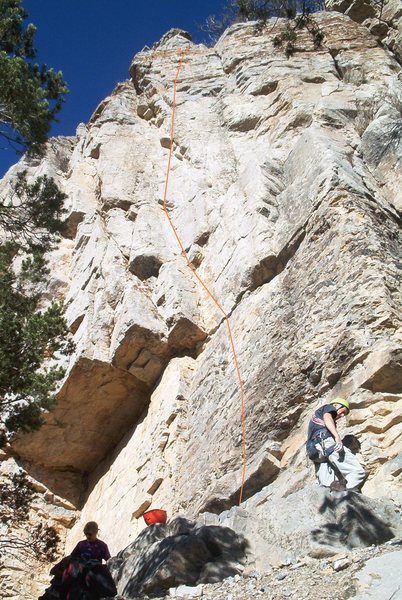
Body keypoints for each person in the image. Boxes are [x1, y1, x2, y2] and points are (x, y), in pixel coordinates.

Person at [306, 398, 366, 492]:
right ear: (337, 405)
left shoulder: (316, 418)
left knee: (326, 485)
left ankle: (333, 497)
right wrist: (337, 437)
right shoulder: (329, 407)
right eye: (343, 411)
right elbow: (327, 418)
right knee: (357, 471)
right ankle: (346, 494)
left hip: (316, 452)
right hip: (326, 442)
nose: (342, 415)